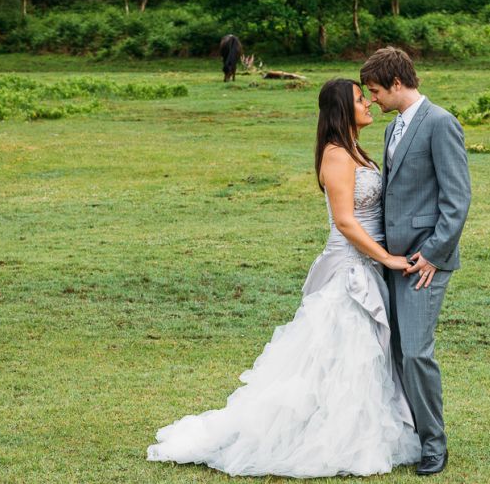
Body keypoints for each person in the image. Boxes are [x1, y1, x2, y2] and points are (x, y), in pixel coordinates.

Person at [147, 78, 421, 477]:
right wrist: (388, 258)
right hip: (350, 266)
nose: (368, 105)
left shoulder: (354, 151)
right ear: (343, 109)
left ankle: (353, 429)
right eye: (361, 99)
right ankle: (327, 437)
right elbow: (345, 221)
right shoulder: (336, 156)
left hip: (367, 265)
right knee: (344, 349)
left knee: (360, 353)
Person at [360, 47, 472, 476]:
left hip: (425, 261)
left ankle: (434, 445)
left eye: (375, 91)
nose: (372, 100)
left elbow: (457, 198)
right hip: (393, 260)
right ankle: (409, 431)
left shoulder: (441, 123)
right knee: (397, 349)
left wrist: (433, 253)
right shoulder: (392, 131)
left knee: (416, 354)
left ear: (397, 83)